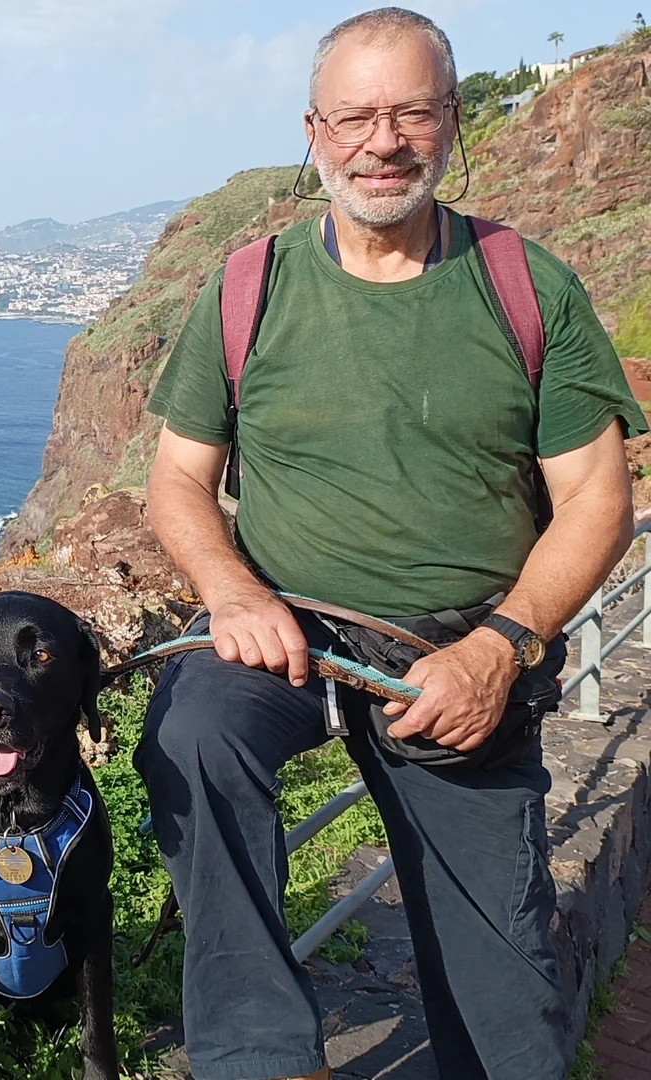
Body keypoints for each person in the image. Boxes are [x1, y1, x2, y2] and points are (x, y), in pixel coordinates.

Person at [135, 8, 644, 1080]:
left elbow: (599, 492)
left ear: (453, 123)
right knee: (192, 737)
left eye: (412, 112)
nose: (384, 141)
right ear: (315, 132)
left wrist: (503, 646)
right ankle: (263, 1058)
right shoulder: (247, 287)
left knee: (508, 1027)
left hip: (463, 651)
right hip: (278, 629)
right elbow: (178, 481)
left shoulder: (526, 285)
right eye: (357, 116)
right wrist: (231, 591)